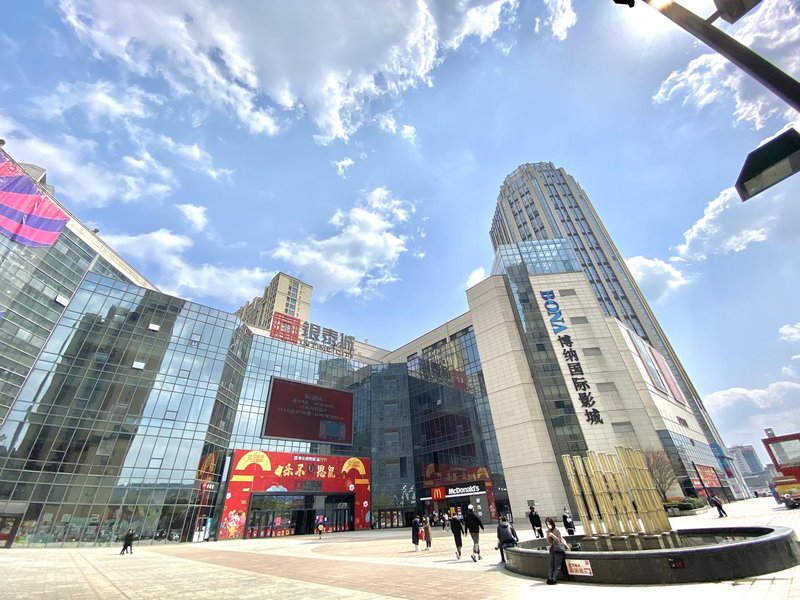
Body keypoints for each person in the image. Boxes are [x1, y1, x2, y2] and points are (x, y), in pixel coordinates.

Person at [544, 517, 567, 585]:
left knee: (557, 565)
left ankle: (554, 579)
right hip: (552, 549)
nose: (548, 525)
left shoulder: (557, 530)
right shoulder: (549, 531)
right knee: (551, 564)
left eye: (549, 524)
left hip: (558, 549)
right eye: (547, 524)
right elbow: (549, 542)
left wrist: (553, 535)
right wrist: (547, 536)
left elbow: (559, 540)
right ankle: (550, 578)